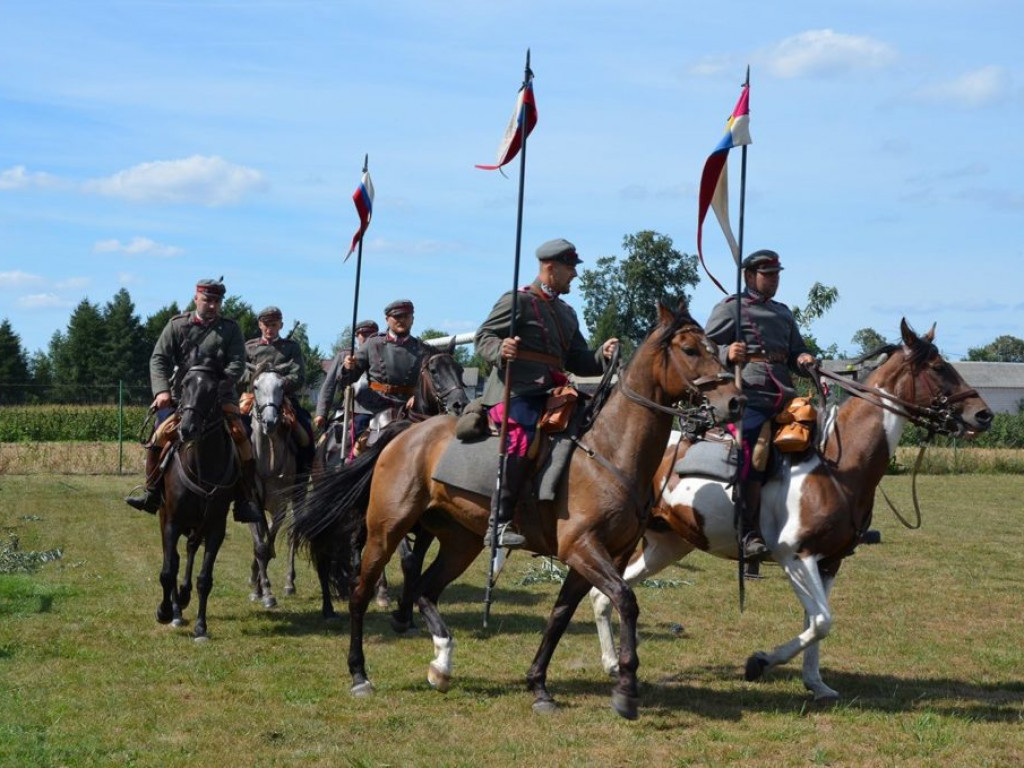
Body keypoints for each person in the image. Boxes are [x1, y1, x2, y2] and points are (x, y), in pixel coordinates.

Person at [474, 238, 618, 548]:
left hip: (553, 390)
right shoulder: (518, 300)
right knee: (523, 437)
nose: (575, 275)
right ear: (550, 268)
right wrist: (500, 348)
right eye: (570, 269)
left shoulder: (567, 312)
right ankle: (498, 523)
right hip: (517, 391)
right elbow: (483, 336)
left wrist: (602, 354)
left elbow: (579, 358)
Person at [704, 249, 816, 558]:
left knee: (821, 440)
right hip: (750, 396)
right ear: (750, 277)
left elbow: (796, 351)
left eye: (777, 274)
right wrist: (727, 353)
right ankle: (749, 530)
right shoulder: (731, 309)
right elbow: (703, 348)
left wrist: (803, 358)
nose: (775, 280)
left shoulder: (783, 312)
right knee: (752, 454)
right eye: (769, 275)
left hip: (785, 394)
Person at [125, 278, 263, 523]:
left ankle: (243, 500)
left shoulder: (230, 329)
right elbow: (158, 359)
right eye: (207, 300)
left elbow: (237, 364)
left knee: (242, 437)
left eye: (217, 301)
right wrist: (161, 392)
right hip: (181, 398)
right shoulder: (177, 325)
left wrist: (216, 387)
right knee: (159, 436)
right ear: (196, 298)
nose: (212, 305)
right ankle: (152, 492)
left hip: (220, 396)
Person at [339, 300, 430, 434]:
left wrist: (418, 397)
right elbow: (348, 379)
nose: (402, 320)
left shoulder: (422, 349)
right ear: (387, 320)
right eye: (397, 317)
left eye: (406, 316)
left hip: (410, 408)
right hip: (375, 406)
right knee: (357, 434)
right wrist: (348, 367)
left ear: (412, 319)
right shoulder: (373, 344)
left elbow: (429, 382)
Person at [243, 306, 315, 476]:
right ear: (260, 325)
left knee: (305, 432)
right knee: (236, 432)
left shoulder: (291, 347)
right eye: (266, 324)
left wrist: (279, 383)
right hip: (253, 398)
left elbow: (299, 376)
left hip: (284, 400)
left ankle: (303, 475)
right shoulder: (249, 347)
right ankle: (240, 483)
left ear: (280, 325)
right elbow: (239, 373)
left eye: (274, 325)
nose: (269, 329)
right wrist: (258, 379)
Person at [315, 319, 379, 438]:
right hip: (351, 408)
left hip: (380, 407)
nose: (367, 339)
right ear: (357, 336)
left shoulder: (381, 356)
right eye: (364, 335)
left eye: (371, 335)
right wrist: (321, 413)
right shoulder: (345, 356)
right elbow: (329, 385)